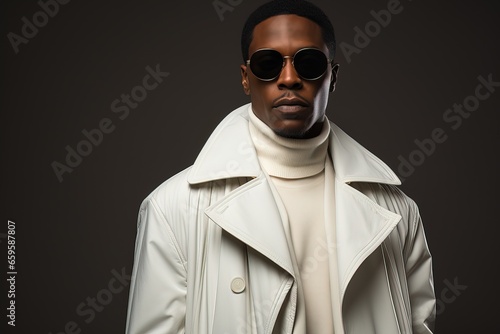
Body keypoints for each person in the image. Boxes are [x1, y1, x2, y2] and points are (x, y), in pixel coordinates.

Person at [125, 0, 436, 333]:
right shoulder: (172, 209)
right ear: (246, 78)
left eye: (309, 63)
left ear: (333, 77)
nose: (289, 79)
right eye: (268, 63)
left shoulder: (396, 212)